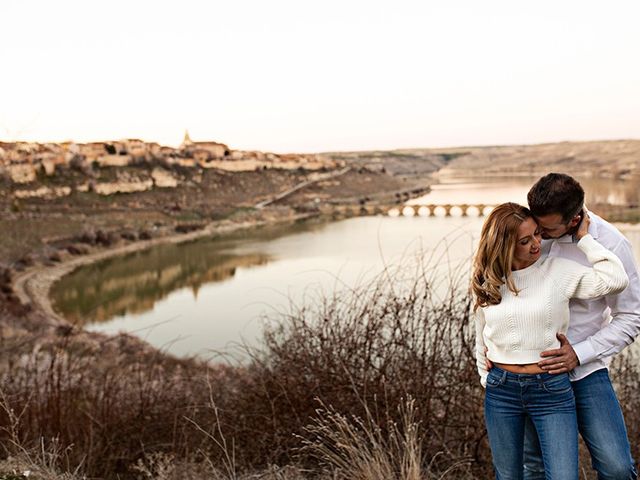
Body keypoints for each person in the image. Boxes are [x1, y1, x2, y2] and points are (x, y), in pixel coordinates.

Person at [472, 202, 628, 479]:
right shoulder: (490, 279)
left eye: (537, 234)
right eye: (525, 240)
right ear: (505, 245)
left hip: (550, 390)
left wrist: (585, 240)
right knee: (509, 475)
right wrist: (486, 376)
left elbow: (615, 280)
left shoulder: (557, 270)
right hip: (502, 391)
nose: (536, 244)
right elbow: (481, 332)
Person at [522, 173, 640, 479]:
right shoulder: (527, 233)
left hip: (585, 370)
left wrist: (580, 352)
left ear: (574, 220)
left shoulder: (612, 243)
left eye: (546, 230)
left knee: (617, 469)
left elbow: (631, 316)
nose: (539, 237)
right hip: (531, 374)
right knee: (532, 470)